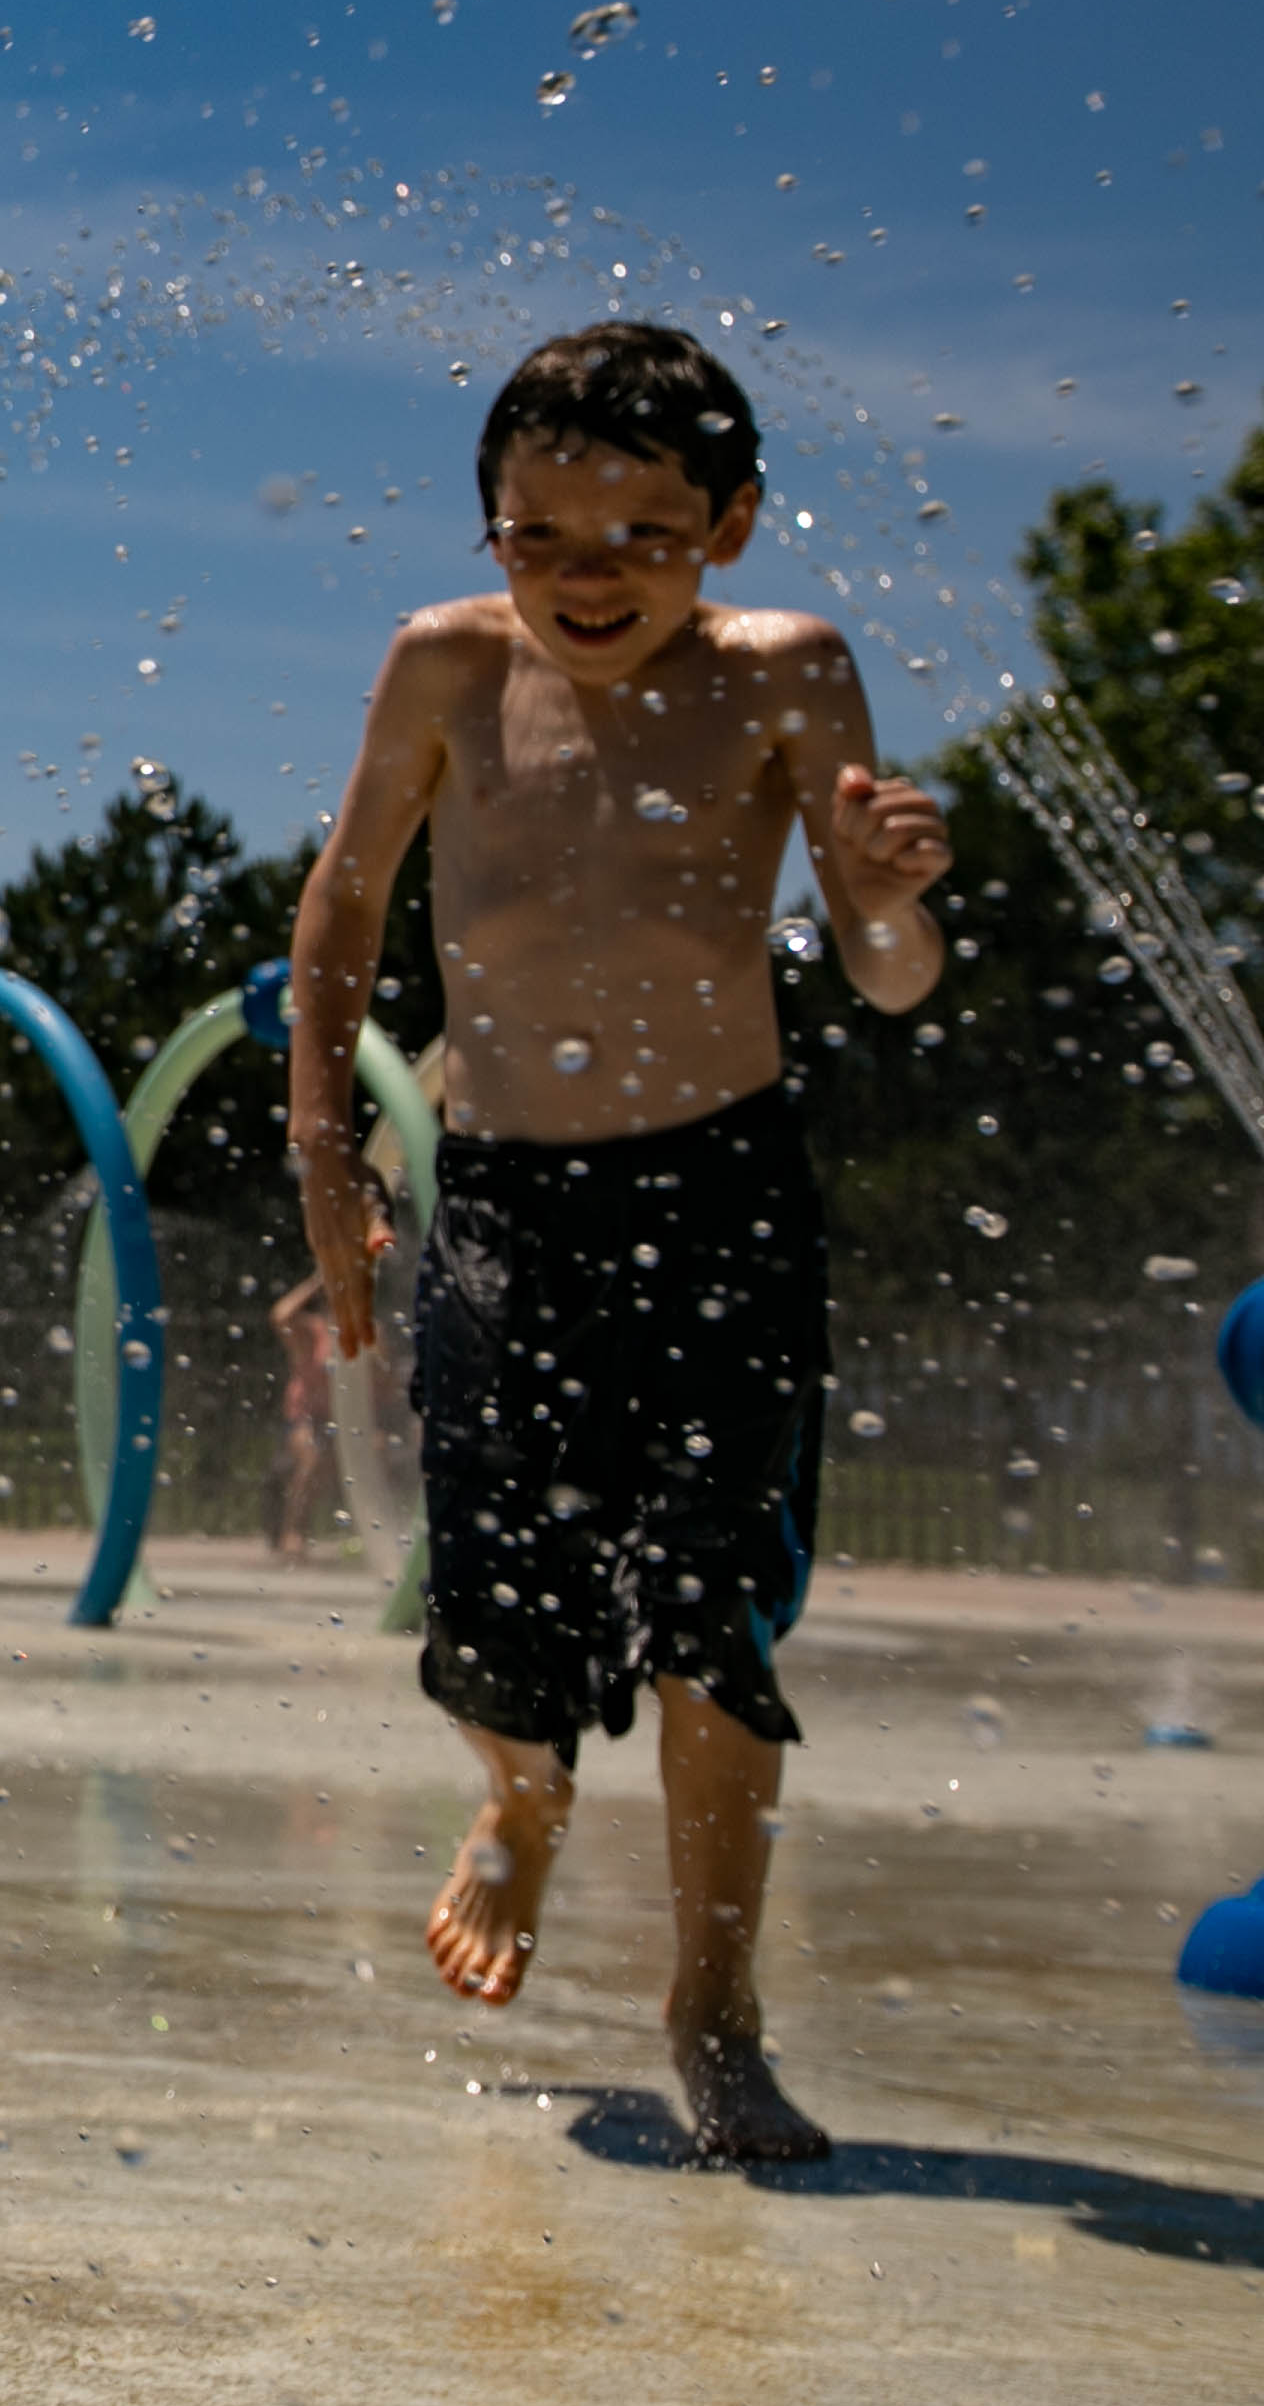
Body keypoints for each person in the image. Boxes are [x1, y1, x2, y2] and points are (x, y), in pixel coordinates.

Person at [287, 321, 951, 2166]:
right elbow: (343, 910)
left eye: (642, 537)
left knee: (710, 1616)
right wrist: (327, 1151)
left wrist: (888, 901)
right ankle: (520, 1801)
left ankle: (713, 2010)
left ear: (729, 525)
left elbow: (889, 976)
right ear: (488, 527)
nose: (588, 579)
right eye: (542, 537)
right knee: (496, 1599)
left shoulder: (787, 674)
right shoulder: (444, 666)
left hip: (723, 1194)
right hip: (506, 1196)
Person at [263, 1273, 341, 1555]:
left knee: (378, 1447)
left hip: (341, 1423)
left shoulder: (361, 1331)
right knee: (311, 1455)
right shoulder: (312, 1331)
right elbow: (279, 1315)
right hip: (305, 1418)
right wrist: (318, 1280)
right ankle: (293, 1530)